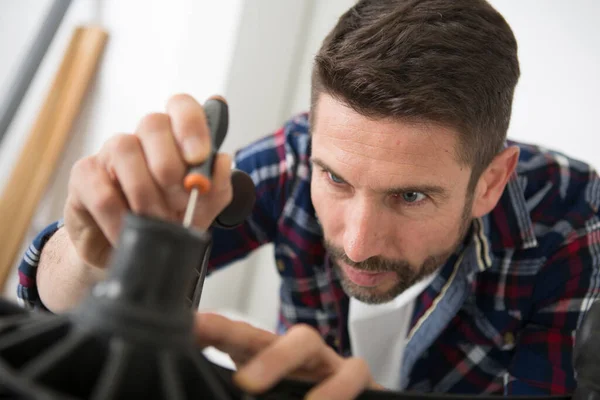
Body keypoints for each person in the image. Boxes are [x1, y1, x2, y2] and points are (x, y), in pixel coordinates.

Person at [15, 0, 600, 397]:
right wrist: (94, 252)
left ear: (492, 182)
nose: (356, 241)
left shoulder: (577, 229)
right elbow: (49, 314)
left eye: (412, 196)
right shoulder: (295, 159)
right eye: (337, 180)